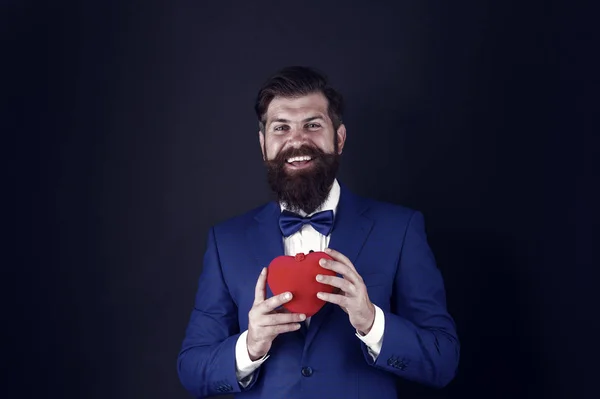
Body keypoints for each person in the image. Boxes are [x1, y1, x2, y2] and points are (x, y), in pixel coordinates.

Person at [177, 66, 460, 398]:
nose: (297, 140)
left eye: (312, 125)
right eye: (281, 127)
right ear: (263, 143)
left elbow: (443, 360)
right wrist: (249, 346)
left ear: (338, 138)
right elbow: (191, 368)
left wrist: (372, 323)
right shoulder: (226, 242)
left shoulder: (400, 229)